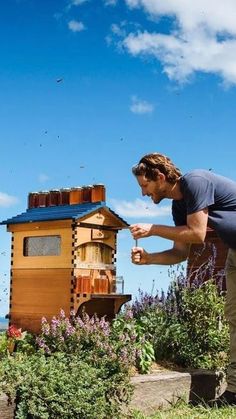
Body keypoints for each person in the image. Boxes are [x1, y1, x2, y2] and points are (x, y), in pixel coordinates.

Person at [130, 152, 236, 406]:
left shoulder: (195, 181)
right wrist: (150, 258)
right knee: (234, 317)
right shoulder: (179, 205)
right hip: (235, 252)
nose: (144, 193)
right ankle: (234, 391)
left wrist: (153, 229)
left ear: (160, 177)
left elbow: (198, 234)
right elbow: (180, 252)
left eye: (145, 185)